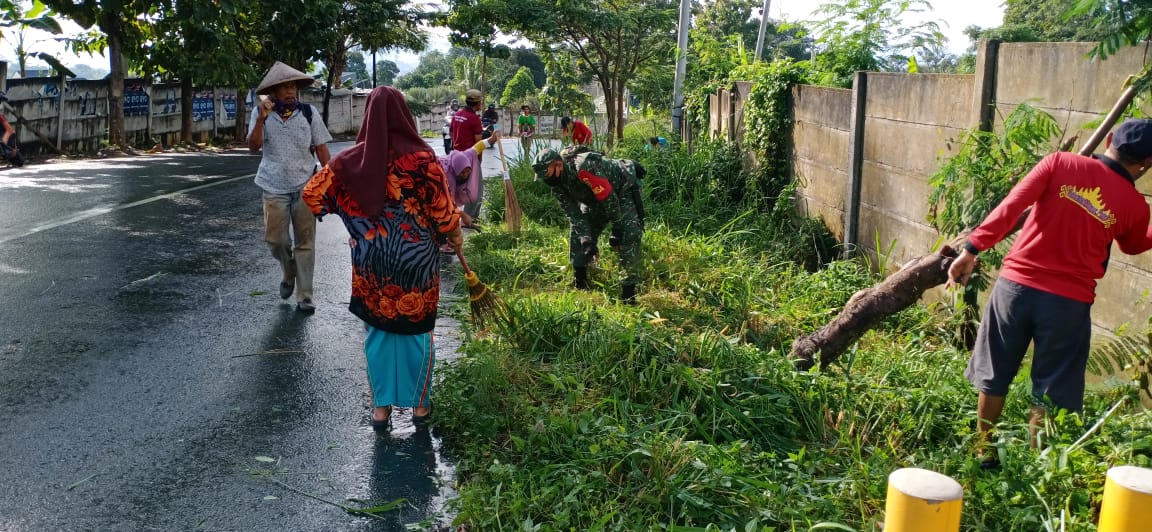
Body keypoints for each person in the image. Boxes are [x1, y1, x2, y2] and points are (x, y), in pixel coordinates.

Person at [946, 118, 1152, 469]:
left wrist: (971, 249)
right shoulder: (1135, 206)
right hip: (1068, 305)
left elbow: (1012, 205)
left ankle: (984, 451)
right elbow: (1133, 245)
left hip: (1014, 289)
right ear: (1145, 165)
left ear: (1109, 142)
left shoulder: (1060, 163)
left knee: (994, 373)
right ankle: (1038, 467)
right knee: (1052, 386)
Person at [303, 86, 463, 428]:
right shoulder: (422, 159)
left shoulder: (350, 160)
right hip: (416, 262)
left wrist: (356, 224)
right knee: (416, 333)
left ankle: (381, 409)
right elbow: (446, 216)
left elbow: (313, 195)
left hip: (371, 263)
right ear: (404, 115)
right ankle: (419, 407)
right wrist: (454, 234)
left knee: (378, 332)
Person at [247, 61, 332, 314]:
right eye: (284, 87)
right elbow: (253, 147)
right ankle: (288, 271)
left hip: (306, 186)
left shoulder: (309, 113)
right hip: (273, 185)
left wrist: (332, 182)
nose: (290, 91)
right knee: (276, 240)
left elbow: (322, 147)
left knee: (305, 242)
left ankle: (305, 295)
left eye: (293, 85)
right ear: (273, 91)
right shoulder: (260, 113)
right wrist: (261, 120)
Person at [532, 148, 646, 304]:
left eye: (547, 173)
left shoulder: (583, 168)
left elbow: (609, 199)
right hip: (595, 198)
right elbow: (575, 216)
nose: (546, 179)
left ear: (558, 164)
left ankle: (628, 295)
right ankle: (580, 282)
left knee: (629, 234)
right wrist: (587, 241)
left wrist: (617, 229)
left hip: (622, 189)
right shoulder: (557, 185)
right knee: (578, 234)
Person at [439, 130, 502, 242]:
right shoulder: (447, 177)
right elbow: (447, 204)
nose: (466, 175)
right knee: (442, 215)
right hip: (433, 187)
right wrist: (463, 215)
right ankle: (443, 241)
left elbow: (477, 147)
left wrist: (492, 139)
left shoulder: (467, 157)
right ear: (456, 170)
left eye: (468, 171)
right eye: (462, 173)